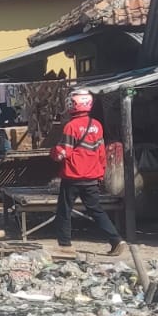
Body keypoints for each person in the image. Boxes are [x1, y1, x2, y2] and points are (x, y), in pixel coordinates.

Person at [51, 88, 125, 255]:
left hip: (72, 177)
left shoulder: (71, 127)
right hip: (92, 177)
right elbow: (101, 153)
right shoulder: (97, 125)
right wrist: (101, 173)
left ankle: (65, 245)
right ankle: (116, 240)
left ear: (73, 104)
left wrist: (53, 152)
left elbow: (63, 153)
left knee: (64, 210)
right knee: (96, 210)